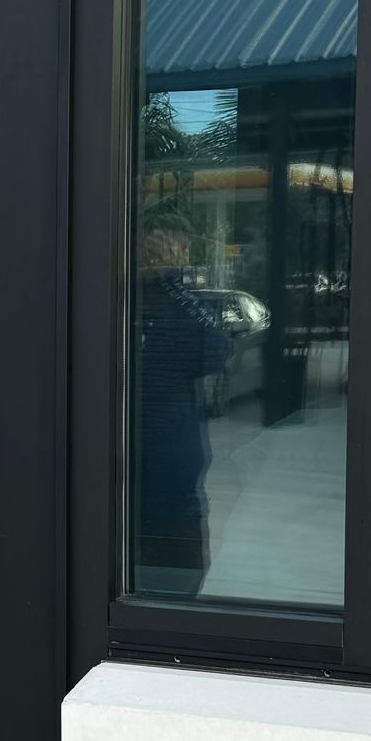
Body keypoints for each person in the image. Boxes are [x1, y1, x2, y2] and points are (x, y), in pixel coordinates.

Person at [132, 208, 232, 596]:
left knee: (179, 567)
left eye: (173, 245)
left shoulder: (182, 301)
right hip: (127, 452)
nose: (163, 253)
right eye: (155, 244)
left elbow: (215, 351)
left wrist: (168, 283)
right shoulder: (116, 299)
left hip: (173, 455)